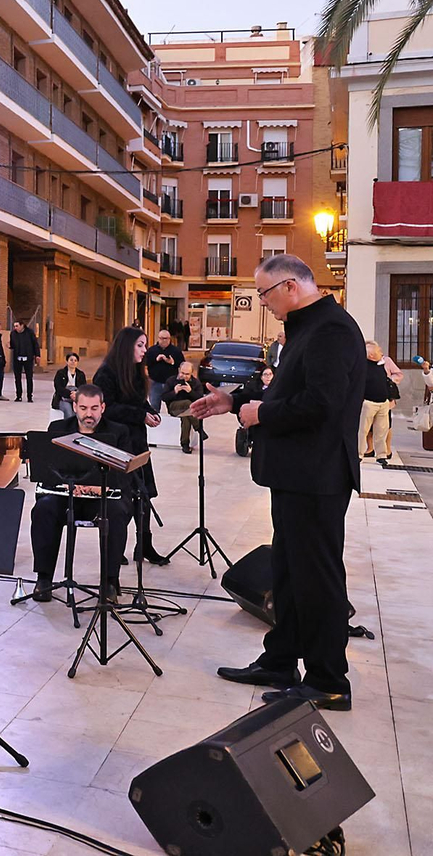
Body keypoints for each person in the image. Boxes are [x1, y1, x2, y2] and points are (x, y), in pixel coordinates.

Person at [194, 255, 365, 711]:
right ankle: (281, 661)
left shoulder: (331, 330)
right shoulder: (305, 327)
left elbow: (322, 403)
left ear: (290, 286)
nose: (263, 302)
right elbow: (284, 390)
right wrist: (233, 402)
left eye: (264, 293)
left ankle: (329, 680)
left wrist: (262, 415)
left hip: (318, 477)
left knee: (318, 579)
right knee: (287, 574)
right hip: (296, 475)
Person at [28, 385, 131, 603]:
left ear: (103, 407)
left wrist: (102, 487)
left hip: (102, 498)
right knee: (43, 508)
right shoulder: (58, 428)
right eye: (83, 408)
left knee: (116, 512)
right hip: (65, 495)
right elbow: (48, 470)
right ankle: (44, 579)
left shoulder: (118, 432)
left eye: (94, 408)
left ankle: (110, 581)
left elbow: (126, 474)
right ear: (74, 407)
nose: (88, 414)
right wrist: (65, 484)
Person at [95, 326, 170, 566]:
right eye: (140, 345)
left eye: (145, 345)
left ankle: (144, 544)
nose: (144, 350)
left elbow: (139, 402)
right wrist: (140, 415)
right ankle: (115, 547)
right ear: (126, 346)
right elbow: (108, 409)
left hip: (138, 444)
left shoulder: (137, 372)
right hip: (117, 445)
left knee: (143, 496)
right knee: (122, 500)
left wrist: (150, 412)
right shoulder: (106, 374)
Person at [360, 340, 404, 465]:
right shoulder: (363, 367)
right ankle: (359, 454)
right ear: (371, 355)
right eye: (379, 351)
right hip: (368, 403)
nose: (382, 352)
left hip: (383, 403)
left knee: (382, 430)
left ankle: (381, 455)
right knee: (363, 430)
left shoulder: (382, 364)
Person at [165, 361, 208, 453]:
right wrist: (174, 392)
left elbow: (200, 399)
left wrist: (190, 392)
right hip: (174, 407)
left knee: (186, 419)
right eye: (182, 373)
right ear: (179, 370)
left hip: (189, 411)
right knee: (188, 403)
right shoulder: (171, 380)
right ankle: (199, 429)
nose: (184, 376)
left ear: (192, 373)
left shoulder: (196, 383)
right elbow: (164, 397)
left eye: (187, 374)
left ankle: (185, 444)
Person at [233, 365, 274, 458]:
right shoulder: (253, 388)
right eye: (265, 374)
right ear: (261, 377)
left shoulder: (277, 389)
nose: (268, 377)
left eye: (270, 374)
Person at [145, 329, 184, 410]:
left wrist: (172, 362)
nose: (164, 340)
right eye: (162, 338)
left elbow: (182, 364)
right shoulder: (151, 350)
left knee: (173, 408)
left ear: (170, 339)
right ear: (158, 338)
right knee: (154, 407)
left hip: (171, 383)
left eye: (166, 338)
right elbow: (145, 363)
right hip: (155, 382)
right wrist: (156, 359)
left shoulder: (176, 351)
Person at [9, 320, 40, 401]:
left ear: (22, 325)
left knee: (29, 377)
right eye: (14, 326)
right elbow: (12, 344)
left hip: (28, 358)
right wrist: (9, 346)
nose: (15, 328)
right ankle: (18, 395)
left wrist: (37, 355)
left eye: (17, 326)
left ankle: (29, 396)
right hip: (17, 358)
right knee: (17, 378)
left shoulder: (29, 333)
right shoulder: (13, 334)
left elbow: (35, 344)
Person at [51, 352, 85, 419]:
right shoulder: (61, 373)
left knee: (77, 412)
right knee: (68, 412)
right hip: (62, 398)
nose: (73, 362)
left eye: (75, 360)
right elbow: (58, 387)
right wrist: (69, 394)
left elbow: (83, 388)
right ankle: (68, 425)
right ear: (67, 361)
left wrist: (76, 394)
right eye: (71, 360)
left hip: (76, 398)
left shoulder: (81, 374)